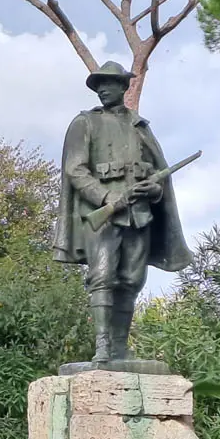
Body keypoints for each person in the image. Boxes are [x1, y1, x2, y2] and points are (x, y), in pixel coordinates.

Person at [52, 61, 194, 364]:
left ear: (123, 87)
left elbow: (159, 175)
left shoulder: (140, 127)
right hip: (103, 214)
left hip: (139, 215)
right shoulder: (85, 123)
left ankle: (119, 348)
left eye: (109, 83)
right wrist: (107, 196)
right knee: (102, 277)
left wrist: (152, 191)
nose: (102, 89)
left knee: (131, 280)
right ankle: (102, 348)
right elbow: (75, 169)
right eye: (98, 84)